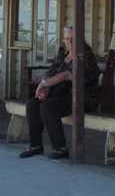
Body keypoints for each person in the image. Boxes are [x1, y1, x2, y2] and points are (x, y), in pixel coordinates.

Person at [19, 26, 100, 159]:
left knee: (47, 107)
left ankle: (60, 148)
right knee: (33, 104)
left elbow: (67, 75)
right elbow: (51, 72)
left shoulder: (85, 55)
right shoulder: (63, 52)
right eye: (67, 39)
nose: (70, 42)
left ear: (80, 40)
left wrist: (45, 84)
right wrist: (45, 88)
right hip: (59, 95)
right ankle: (35, 146)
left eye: (73, 39)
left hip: (81, 98)